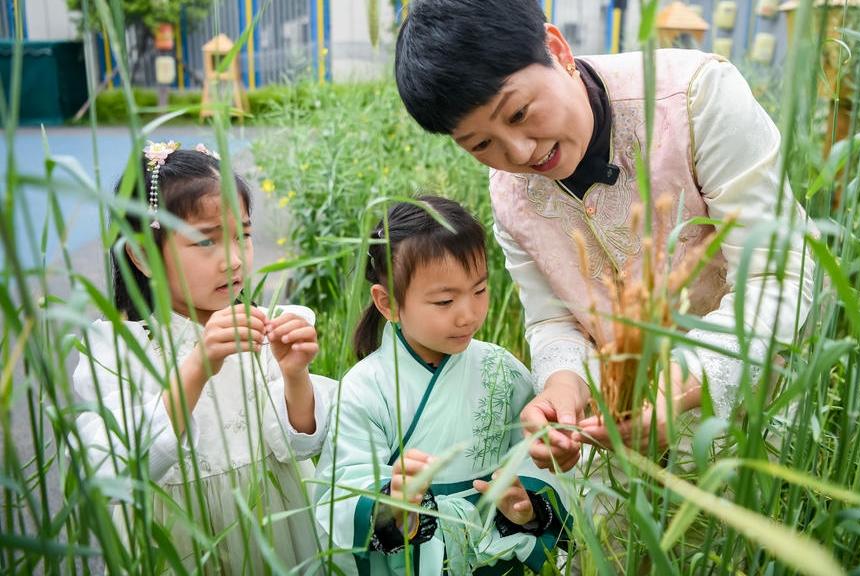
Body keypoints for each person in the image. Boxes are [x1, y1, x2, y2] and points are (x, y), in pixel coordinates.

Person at [394, 0, 817, 470]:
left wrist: (682, 380)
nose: (519, 152)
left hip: (745, 415)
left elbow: (777, 277)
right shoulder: (510, 195)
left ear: (557, 50)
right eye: (480, 145)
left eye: (518, 114)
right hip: (615, 435)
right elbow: (554, 321)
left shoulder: (697, 98)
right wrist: (561, 390)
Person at [72, 141, 334, 573]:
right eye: (204, 241)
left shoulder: (265, 327)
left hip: (272, 526)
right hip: (174, 539)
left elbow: (301, 445)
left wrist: (295, 377)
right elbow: (118, 470)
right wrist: (196, 367)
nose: (233, 260)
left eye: (243, 236)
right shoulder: (116, 349)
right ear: (141, 255)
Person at [314, 196, 569, 575]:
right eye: (445, 300)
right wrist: (395, 505)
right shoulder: (365, 388)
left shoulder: (502, 369)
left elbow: (541, 459)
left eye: (480, 291)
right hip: (412, 557)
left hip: (496, 552)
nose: (468, 314)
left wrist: (526, 506)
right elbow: (343, 489)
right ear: (388, 303)